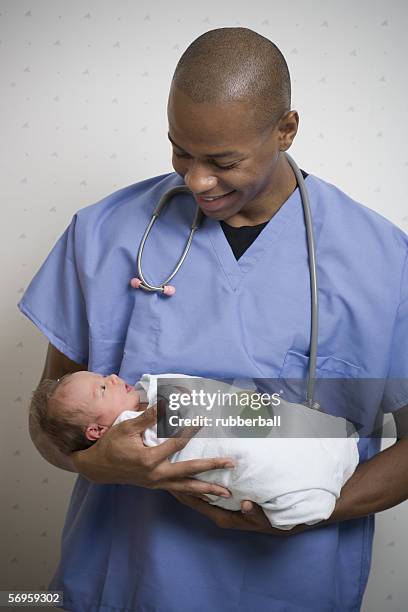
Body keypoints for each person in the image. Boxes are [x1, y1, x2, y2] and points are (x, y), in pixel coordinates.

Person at [17, 26, 408, 612]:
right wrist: (97, 462)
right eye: (180, 151)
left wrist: (308, 511)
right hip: (126, 576)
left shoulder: (384, 262)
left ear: (286, 130)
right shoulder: (104, 235)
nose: (196, 180)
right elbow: (52, 417)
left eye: (223, 161)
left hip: (292, 582)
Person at [30, 370, 360, 531]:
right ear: (97, 431)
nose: (114, 377)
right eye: (103, 387)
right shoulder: (138, 428)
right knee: (256, 464)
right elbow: (45, 433)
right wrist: (93, 464)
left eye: (105, 377)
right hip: (141, 549)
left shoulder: (150, 393)